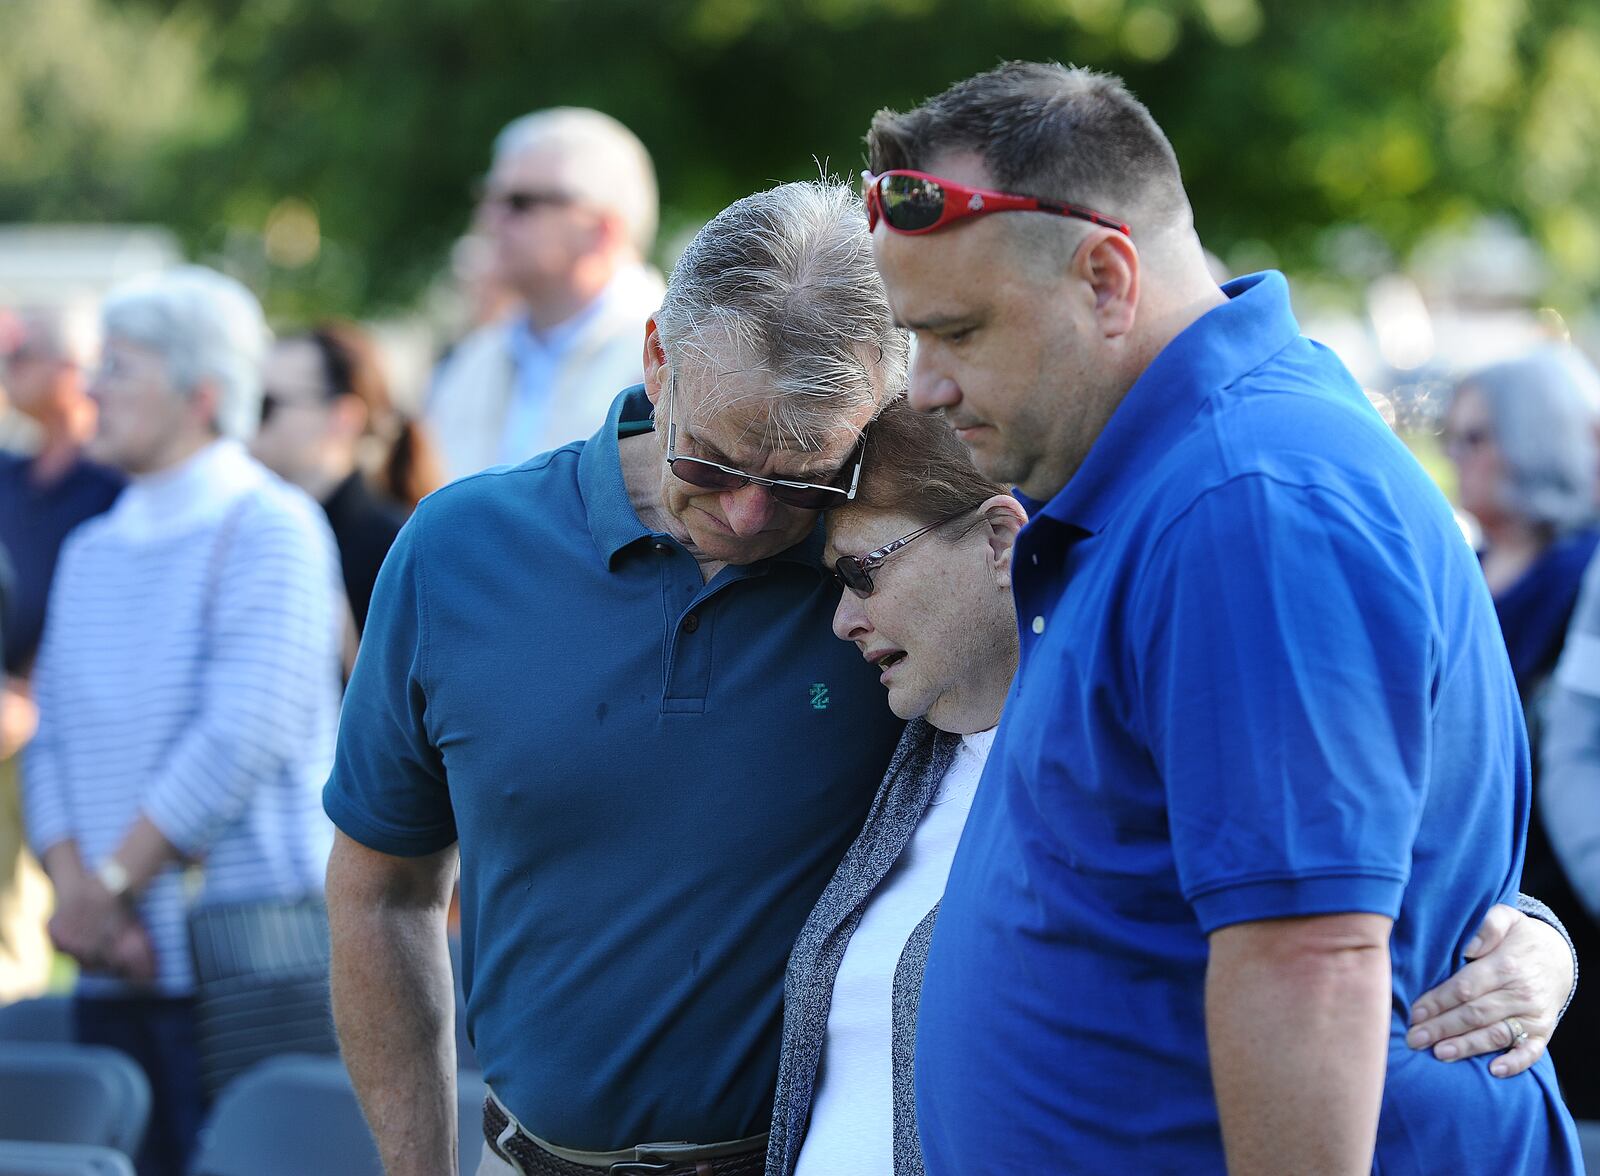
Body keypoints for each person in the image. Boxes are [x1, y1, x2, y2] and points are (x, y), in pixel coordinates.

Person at [862, 63, 1581, 1173]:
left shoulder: (1247, 501)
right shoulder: (1172, 473)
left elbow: (1313, 961)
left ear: (1106, 276)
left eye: (954, 331)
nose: (923, 386)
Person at [766, 399, 1582, 1176]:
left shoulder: (1136, 723)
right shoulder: (899, 754)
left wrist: (1534, 940)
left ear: (997, 540)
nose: (842, 620)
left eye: (861, 574)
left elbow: (1326, 871)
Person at [323, 181, 906, 1176]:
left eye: (808, 476)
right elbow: (382, 891)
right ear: (655, 359)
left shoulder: (905, 579)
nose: (756, 515)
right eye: (715, 462)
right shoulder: (460, 550)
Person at [21, 266, 344, 1176]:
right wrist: (79, 890)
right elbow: (52, 739)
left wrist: (107, 887)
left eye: (119, 367)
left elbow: (247, 727)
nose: (90, 389)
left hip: (241, 963)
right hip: (109, 956)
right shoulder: (92, 546)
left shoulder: (270, 525)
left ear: (203, 393)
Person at [425, 108, 665, 480]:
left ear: (602, 228)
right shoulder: (472, 363)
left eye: (521, 203)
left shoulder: (667, 357)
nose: (490, 218)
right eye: (489, 197)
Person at [0, 305, 124, 1001]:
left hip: (58, 726)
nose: (9, 371)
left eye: (24, 356)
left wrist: (32, 697)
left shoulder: (110, 485)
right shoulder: (12, 474)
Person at [250, 322, 442, 634]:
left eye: (266, 404)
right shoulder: (251, 528)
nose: (250, 420)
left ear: (343, 417)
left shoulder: (395, 551)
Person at [1442, 346, 1600, 700]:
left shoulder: (1583, 569)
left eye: (1473, 438)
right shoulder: (1467, 563)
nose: (1454, 455)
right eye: (1450, 438)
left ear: (1532, 439)